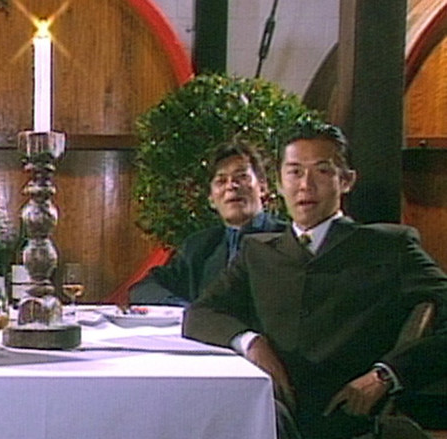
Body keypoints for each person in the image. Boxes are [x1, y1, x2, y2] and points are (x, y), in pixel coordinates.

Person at [183, 120, 447, 439]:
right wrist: (252, 342)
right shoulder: (258, 252)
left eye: (321, 171)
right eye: (294, 172)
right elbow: (200, 314)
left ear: (346, 181)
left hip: (350, 423)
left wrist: (387, 374)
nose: (305, 185)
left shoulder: (389, 247)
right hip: (271, 416)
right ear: (279, 184)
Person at [129, 139, 286, 306]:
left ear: (262, 187)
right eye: (221, 181)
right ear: (211, 199)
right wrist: (187, 311)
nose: (231, 186)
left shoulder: (288, 240)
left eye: (242, 177)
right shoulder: (199, 247)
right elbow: (144, 288)